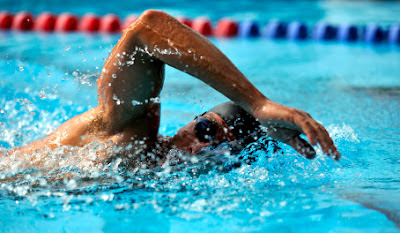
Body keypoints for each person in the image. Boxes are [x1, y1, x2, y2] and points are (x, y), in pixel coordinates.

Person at [9, 10, 340, 167]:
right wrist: (257, 104)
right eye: (206, 129)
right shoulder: (136, 127)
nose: (198, 146)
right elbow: (146, 29)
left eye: (217, 148)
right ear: (191, 120)